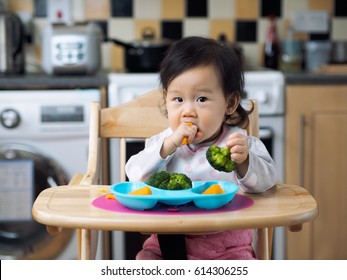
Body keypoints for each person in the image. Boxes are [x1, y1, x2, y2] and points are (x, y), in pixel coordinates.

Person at [125, 36, 278, 260]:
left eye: (201, 99)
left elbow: (267, 182)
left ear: (230, 103)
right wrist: (168, 146)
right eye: (178, 99)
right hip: (168, 242)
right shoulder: (162, 143)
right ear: (166, 99)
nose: (188, 111)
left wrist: (245, 162)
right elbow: (135, 175)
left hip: (229, 245)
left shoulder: (238, 144)